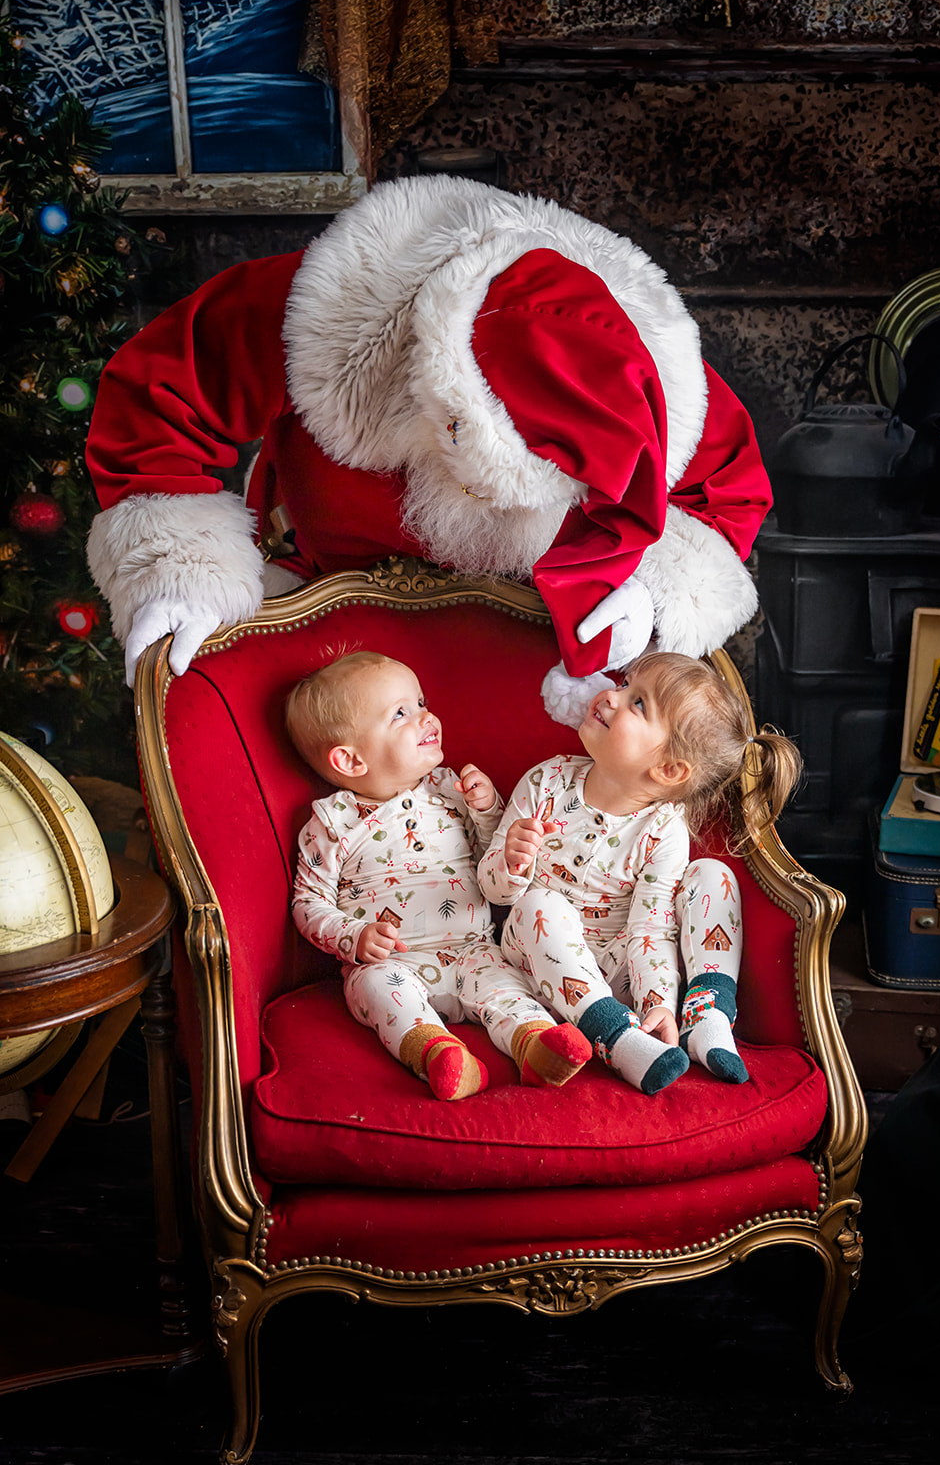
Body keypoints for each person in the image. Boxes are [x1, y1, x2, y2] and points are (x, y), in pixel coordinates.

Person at [85, 174, 771, 722]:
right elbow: (162, 393)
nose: (480, 496)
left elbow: (726, 494)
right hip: (320, 600)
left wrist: (656, 595)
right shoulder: (336, 300)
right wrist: (180, 568)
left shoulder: (660, 376)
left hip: (522, 644)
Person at [478, 650, 802, 1095]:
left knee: (712, 875)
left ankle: (705, 1015)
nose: (610, 695)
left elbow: (651, 928)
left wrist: (657, 1005)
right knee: (539, 904)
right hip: (541, 965)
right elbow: (493, 893)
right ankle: (614, 1036)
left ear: (668, 769)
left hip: (622, 967)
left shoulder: (664, 829)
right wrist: (511, 862)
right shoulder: (544, 783)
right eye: (625, 684)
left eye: (638, 703)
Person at [286, 649, 591, 1101]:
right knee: (376, 990)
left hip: (473, 949)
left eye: (422, 702)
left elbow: (492, 858)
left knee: (508, 987)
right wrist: (352, 935)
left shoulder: (451, 789)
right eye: (401, 713)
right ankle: (436, 1053)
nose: (426, 716)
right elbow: (308, 903)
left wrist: (487, 811)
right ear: (350, 761)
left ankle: (534, 1044)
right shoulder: (333, 823)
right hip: (391, 963)